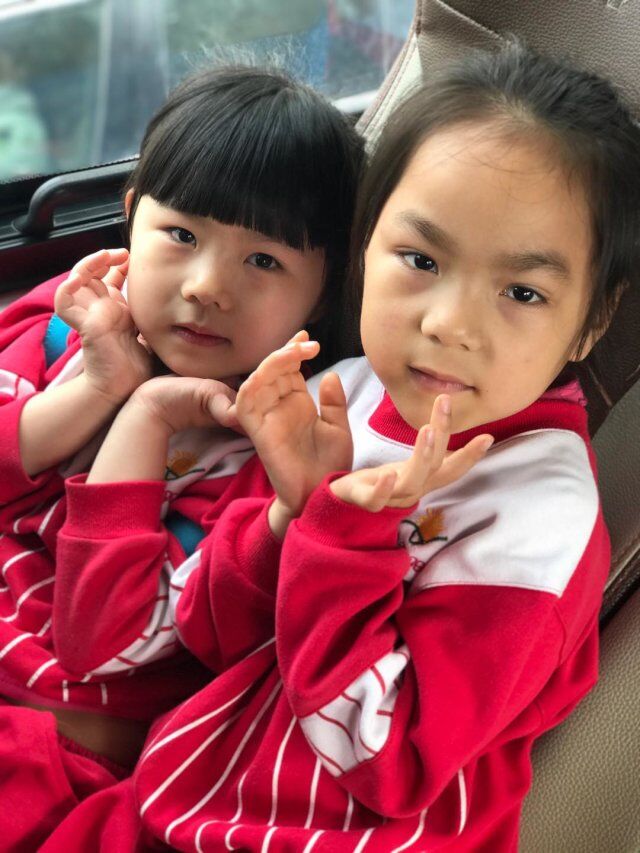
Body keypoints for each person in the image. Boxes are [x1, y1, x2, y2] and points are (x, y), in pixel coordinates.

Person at [41, 39, 640, 851]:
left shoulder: (536, 518)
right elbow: (209, 628)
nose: (448, 323)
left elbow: (387, 762)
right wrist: (287, 513)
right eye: (420, 259)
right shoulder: (342, 393)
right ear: (365, 249)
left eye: (523, 292)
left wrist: (340, 537)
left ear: (592, 320)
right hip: (181, 795)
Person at [0, 64, 363, 849]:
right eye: (182, 236)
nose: (206, 286)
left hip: (55, 754)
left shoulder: (267, 464)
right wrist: (97, 388)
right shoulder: (71, 326)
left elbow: (101, 643)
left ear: (325, 292)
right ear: (132, 218)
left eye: (263, 261)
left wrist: (146, 416)